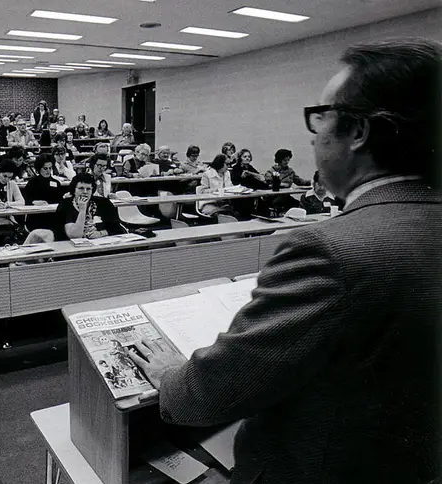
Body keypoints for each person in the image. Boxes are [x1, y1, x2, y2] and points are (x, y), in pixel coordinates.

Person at [130, 39, 442, 484]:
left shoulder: (328, 250)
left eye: (322, 116)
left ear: (358, 132)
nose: (313, 134)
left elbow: (208, 397)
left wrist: (170, 377)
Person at [55, 173, 124, 240]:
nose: (85, 192)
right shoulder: (66, 204)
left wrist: (100, 233)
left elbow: (116, 228)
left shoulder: (104, 203)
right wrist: (82, 210)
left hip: (102, 243)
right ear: (74, 190)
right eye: (81, 188)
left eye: (88, 189)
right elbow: (75, 235)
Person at [23, 154, 64, 231]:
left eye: (50, 168)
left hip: (52, 217)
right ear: (39, 168)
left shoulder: (56, 182)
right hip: (36, 217)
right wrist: (34, 202)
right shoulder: (32, 183)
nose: (48, 171)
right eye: (45, 168)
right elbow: (25, 200)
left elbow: (60, 200)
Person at [265, 148, 310, 214]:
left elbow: (300, 182)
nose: (286, 162)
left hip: (286, 197)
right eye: (284, 160)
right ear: (279, 160)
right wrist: (281, 184)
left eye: (288, 160)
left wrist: (312, 182)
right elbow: (267, 185)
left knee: (301, 205)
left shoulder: (290, 171)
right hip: (273, 198)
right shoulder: (271, 171)